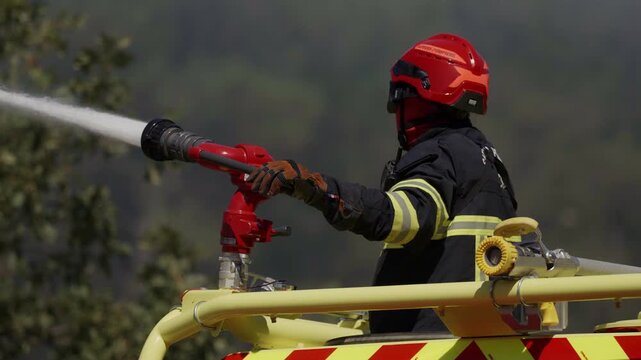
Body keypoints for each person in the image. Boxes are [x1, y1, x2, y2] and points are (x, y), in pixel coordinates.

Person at [247, 33, 518, 333]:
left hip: (430, 344)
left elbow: (403, 216)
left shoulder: (439, 155)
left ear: (418, 98)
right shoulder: (486, 160)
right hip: (480, 337)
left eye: (403, 97)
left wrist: (318, 188)